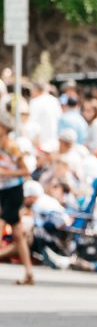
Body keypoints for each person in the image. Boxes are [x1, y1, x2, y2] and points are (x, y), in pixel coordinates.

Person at [0, 112, 33, 285]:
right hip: (3, 190)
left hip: (14, 190)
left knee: (1, 223)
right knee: (18, 235)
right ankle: (29, 273)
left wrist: (6, 174)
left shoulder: (11, 146)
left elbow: (25, 170)